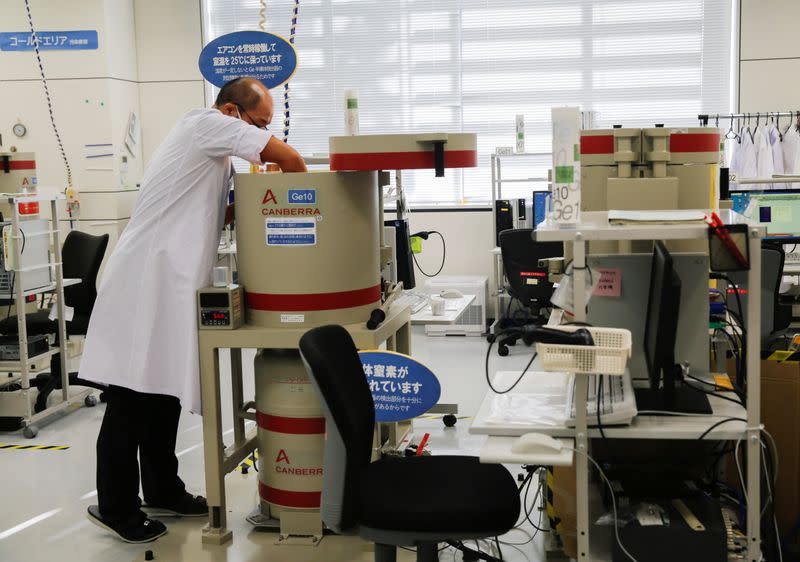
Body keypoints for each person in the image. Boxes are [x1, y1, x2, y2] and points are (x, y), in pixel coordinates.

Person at [81, 77, 307, 543]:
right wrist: (305, 206)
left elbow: (200, 211)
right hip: (147, 279)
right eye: (259, 123)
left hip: (170, 280)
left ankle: (163, 488)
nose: (262, 135)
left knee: (161, 391)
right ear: (231, 112)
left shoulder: (212, 148)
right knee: (131, 395)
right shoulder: (207, 125)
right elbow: (289, 159)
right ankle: (116, 506)